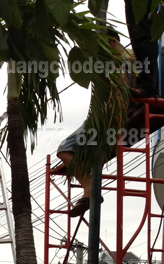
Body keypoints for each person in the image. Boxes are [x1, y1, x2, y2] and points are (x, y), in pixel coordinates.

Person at [56, 28, 132, 217]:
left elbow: (121, 92)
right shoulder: (123, 62)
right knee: (73, 150)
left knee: (64, 148)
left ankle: (89, 188)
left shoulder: (118, 64)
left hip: (107, 118)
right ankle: (89, 189)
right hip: (105, 117)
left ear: (112, 43)